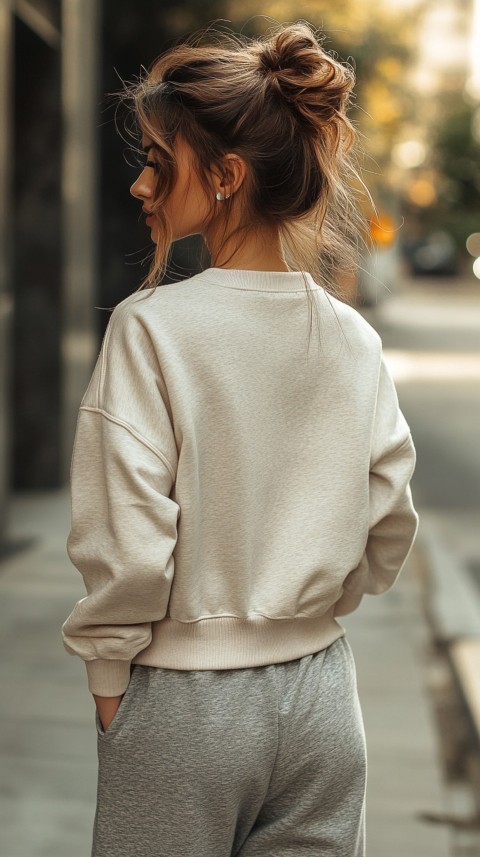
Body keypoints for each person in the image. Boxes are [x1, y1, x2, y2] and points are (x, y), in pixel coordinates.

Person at [62, 20, 418, 857]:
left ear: (224, 176)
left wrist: (110, 676)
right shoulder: (352, 340)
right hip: (326, 697)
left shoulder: (154, 330)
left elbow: (127, 538)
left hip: (183, 701)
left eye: (159, 161)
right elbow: (389, 521)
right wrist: (305, 596)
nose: (142, 186)